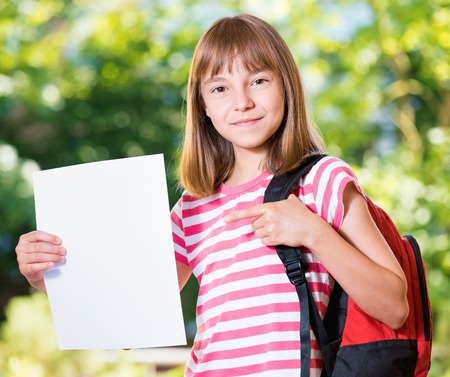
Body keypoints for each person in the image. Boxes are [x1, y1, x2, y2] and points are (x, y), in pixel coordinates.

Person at [16, 14, 409, 377]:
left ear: (286, 86)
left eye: (258, 80)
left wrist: (313, 233)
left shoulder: (322, 179)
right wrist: (48, 277)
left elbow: (395, 307)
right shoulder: (192, 207)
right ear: (202, 105)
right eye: (220, 88)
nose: (242, 102)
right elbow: (128, 325)